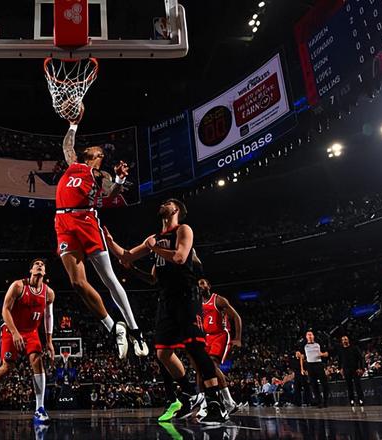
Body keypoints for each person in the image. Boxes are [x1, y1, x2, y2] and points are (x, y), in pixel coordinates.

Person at [105, 198, 228, 425]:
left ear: (176, 209)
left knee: (195, 348)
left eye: (168, 203)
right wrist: (110, 243)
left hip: (186, 295)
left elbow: (180, 257)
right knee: (162, 353)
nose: (163, 204)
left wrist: (154, 248)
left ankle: (215, 403)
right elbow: (127, 257)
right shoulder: (154, 238)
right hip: (166, 299)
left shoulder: (183, 230)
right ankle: (190, 392)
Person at [55, 106, 148, 359]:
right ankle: (114, 327)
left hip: (86, 221)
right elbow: (67, 145)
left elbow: (110, 194)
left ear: (98, 156)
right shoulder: (74, 164)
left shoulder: (100, 174)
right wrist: (73, 125)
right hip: (63, 221)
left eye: (96, 149)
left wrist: (119, 180)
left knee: (109, 279)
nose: (94, 149)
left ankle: (135, 330)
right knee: (76, 282)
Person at [0, 259, 55, 425]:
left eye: (42, 265)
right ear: (31, 270)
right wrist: (14, 332)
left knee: (37, 361)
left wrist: (49, 341)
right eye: (37, 264)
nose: (40, 265)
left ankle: (39, 409)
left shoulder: (49, 293)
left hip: (31, 332)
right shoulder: (18, 286)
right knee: (7, 367)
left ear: (45, 272)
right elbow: (5, 309)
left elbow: (48, 316)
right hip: (12, 328)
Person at [199, 278, 242, 414]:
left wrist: (237, 338)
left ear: (209, 286)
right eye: (198, 284)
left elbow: (236, 317)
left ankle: (229, 402)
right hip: (207, 337)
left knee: (211, 365)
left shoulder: (218, 300)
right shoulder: (198, 303)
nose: (200, 286)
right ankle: (204, 405)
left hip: (220, 336)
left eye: (202, 283)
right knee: (201, 369)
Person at [299, 331, 329, 408]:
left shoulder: (318, 343)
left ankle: (325, 401)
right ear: (306, 337)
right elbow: (302, 357)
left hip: (318, 364)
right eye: (308, 335)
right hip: (310, 365)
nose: (310, 336)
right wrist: (302, 368)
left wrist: (322, 354)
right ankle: (319, 401)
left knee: (324, 383)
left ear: (313, 336)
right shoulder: (304, 345)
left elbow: (326, 353)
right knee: (313, 384)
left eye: (311, 334)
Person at [337, 335, 364, 407]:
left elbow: (360, 358)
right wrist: (340, 369)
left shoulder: (354, 348)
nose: (344, 341)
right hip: (346, 370)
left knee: (358, 385)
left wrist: (361, 368)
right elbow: (339, 360)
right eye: (343, 340)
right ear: (342, 341)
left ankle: (361, 400)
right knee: (349, 386)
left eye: (345, 339)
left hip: (355, 369)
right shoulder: (341, 350)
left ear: (348, 340)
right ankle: (351, 401)